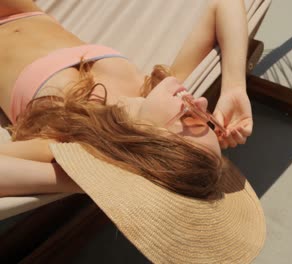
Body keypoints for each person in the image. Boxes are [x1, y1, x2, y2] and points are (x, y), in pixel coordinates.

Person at [0, 0, 253, 198]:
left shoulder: (71, 137)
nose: (201, 103)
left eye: (189, 118)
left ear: (149, 139)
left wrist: (79, 181)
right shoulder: (150, 91)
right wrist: (234, 87)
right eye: (206, 120)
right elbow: (224, 3)